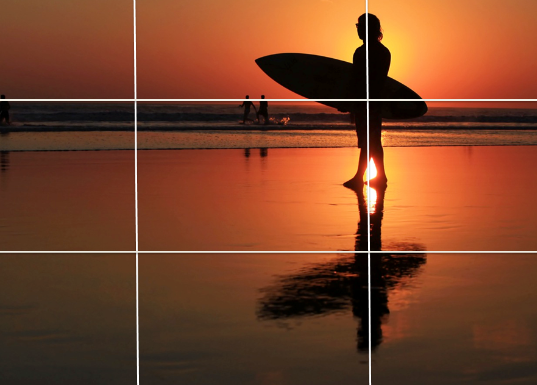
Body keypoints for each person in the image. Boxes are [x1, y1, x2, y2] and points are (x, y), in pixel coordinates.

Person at [344, 14, 390, 189]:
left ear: (371, 29)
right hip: (374, 102)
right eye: (358, 27)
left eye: (362, 27)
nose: (359, 30)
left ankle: (365, 177)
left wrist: (350, 102)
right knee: (371, 140)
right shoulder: (383, 52)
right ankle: (376, 176)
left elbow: (358, 81)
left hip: (367, 103)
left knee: (369, 140)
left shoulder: (364, 52)